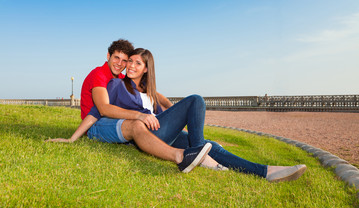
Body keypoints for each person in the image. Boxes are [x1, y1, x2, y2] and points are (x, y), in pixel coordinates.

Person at [49, 48, 307, 182]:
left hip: (165, 131)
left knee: (212, 146)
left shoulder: (149, 92)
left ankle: (266, 172)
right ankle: (196, 152)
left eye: (137, 63)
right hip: (153, 134)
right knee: (195, 100)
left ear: (147, 69)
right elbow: (97, 112)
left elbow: (166, 106)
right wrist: (72, 139)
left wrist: (167, 109)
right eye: (130, 62)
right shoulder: (117, 86)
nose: (130, 66)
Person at [47, 39, 212, 173]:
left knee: (209, 144)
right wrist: (72, 139)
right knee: (138, 124)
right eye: (116, 58)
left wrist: (172, 108)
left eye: (125, 61)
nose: (120, 64)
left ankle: (232, 165)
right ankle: (182, 157)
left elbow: (153, 93)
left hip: (127, 123)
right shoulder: (104, 76)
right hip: (100, 124)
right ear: (108, 56)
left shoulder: (122, 80)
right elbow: (100, 110)